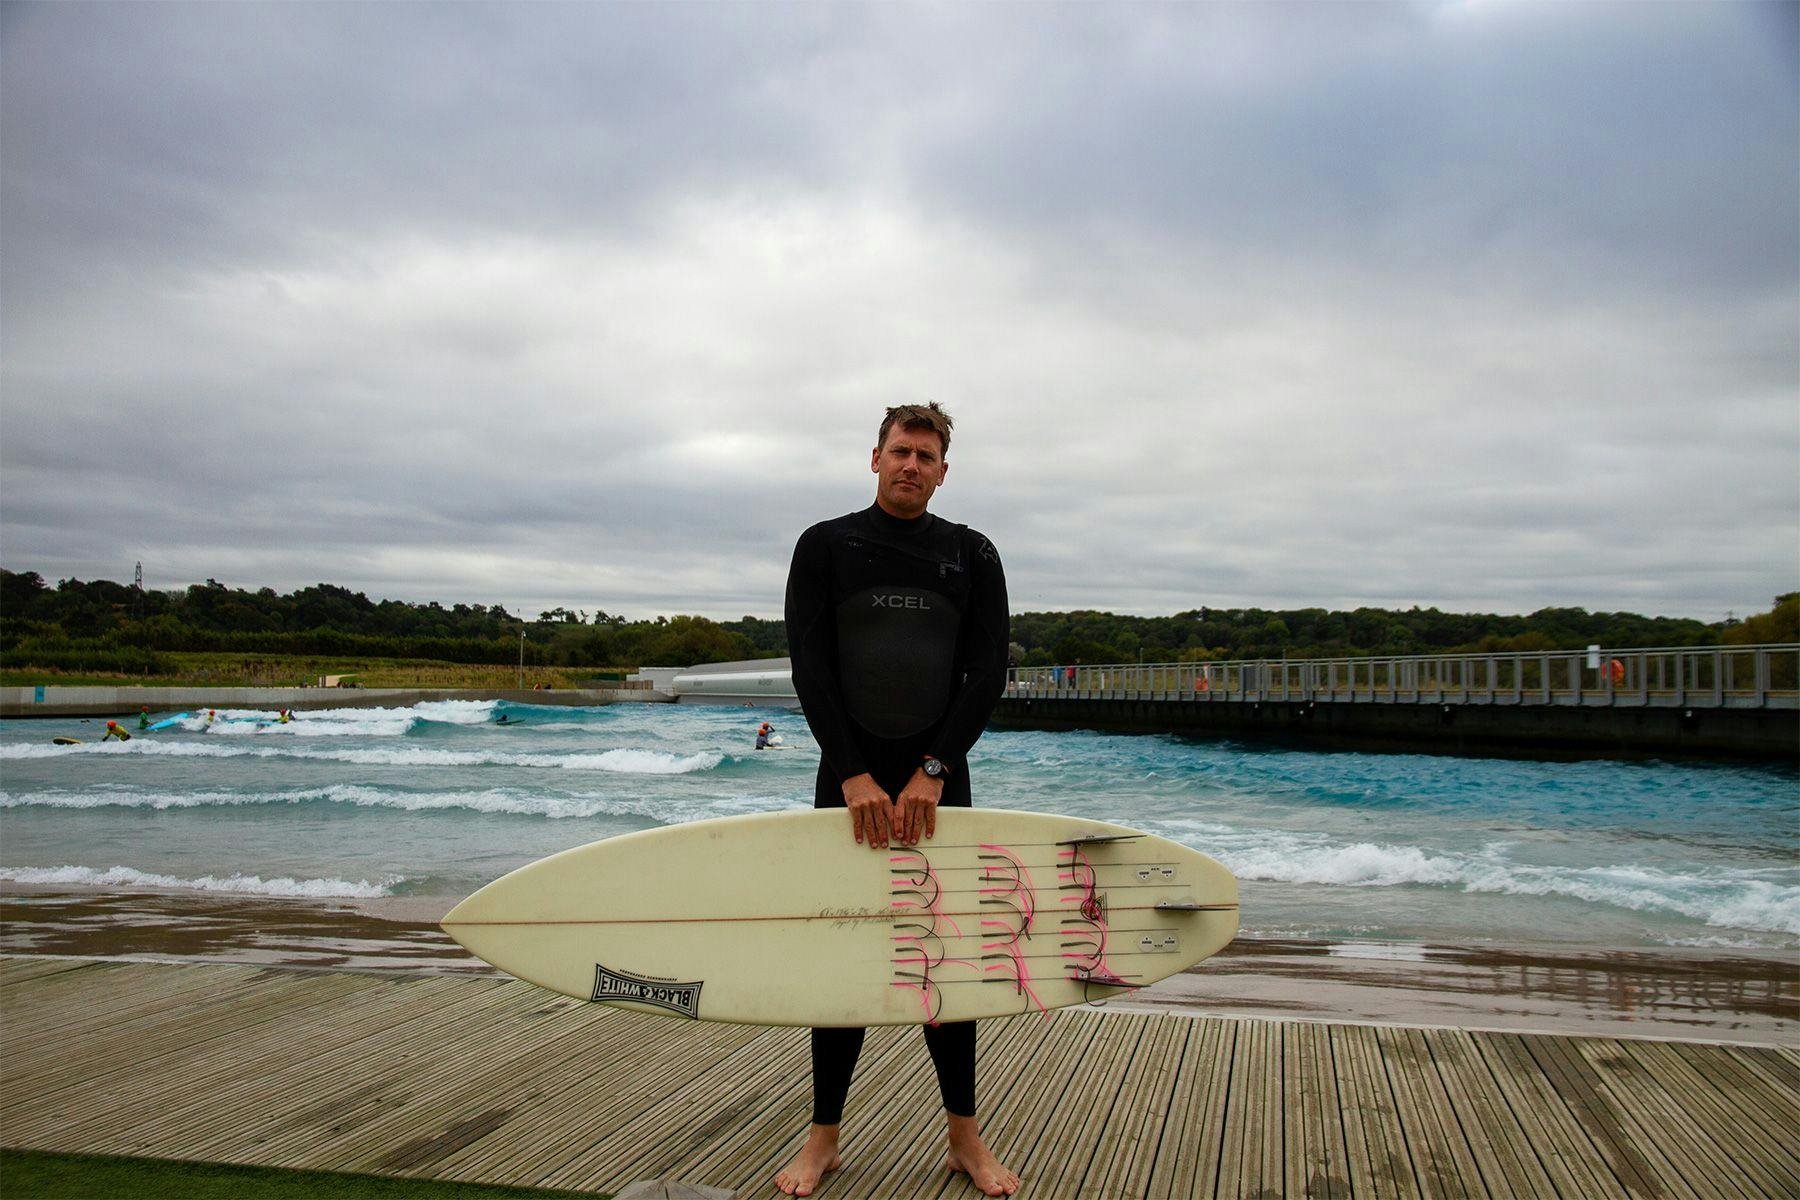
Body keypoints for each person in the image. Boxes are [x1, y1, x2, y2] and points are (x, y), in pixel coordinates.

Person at [779, 402, 1016, 1198]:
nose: (912, 464)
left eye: (927, 454)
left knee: (943, 954)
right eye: (900, 451)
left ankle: (964, 1141)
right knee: (841, 951)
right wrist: (850, 774)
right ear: (873, 459)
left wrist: (936, 768)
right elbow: (810, 669)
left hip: (937, 784)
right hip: (846, 782)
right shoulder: (826, 545)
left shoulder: (971, 552)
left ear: (944, 470)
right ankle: (823, 1142)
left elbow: (986, 672)